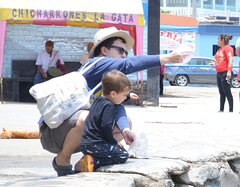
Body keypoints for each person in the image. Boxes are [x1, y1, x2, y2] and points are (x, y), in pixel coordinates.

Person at [42, 26, 183, 176]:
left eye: (126, 53)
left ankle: (88, 160)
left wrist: (125, 130)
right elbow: (128, 64)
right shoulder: (96, 63)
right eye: (121, 51)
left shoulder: (109, 79)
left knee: (125, 122)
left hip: (80, 135)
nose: (124, 56)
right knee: (86, 118)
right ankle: (62, 160)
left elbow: (117, 107)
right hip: (53, 133)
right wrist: (167, 58)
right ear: (104, 51)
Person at [76, 70, 134, 173]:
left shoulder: (97, 100)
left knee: (116, 151)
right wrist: (114, 142)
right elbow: (106, 127)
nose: (125, 98)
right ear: (113, 93)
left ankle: (88, 159)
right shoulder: (109, 106)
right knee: (123, 155)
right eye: (124, 95)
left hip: (86, 143)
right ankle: (93, 162)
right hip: (96, 145)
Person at [215, 34, 234, 112]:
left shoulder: (228, 48)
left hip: (225, 72)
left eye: (218, 39)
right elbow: (220, 59)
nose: (217, 41)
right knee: (221, 91)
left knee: (227, 91)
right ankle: (221, 108)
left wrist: (229, 71)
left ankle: (231, 109)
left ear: (222, 40)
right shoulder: (220, 49)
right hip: (219, 72)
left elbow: (230, 59)